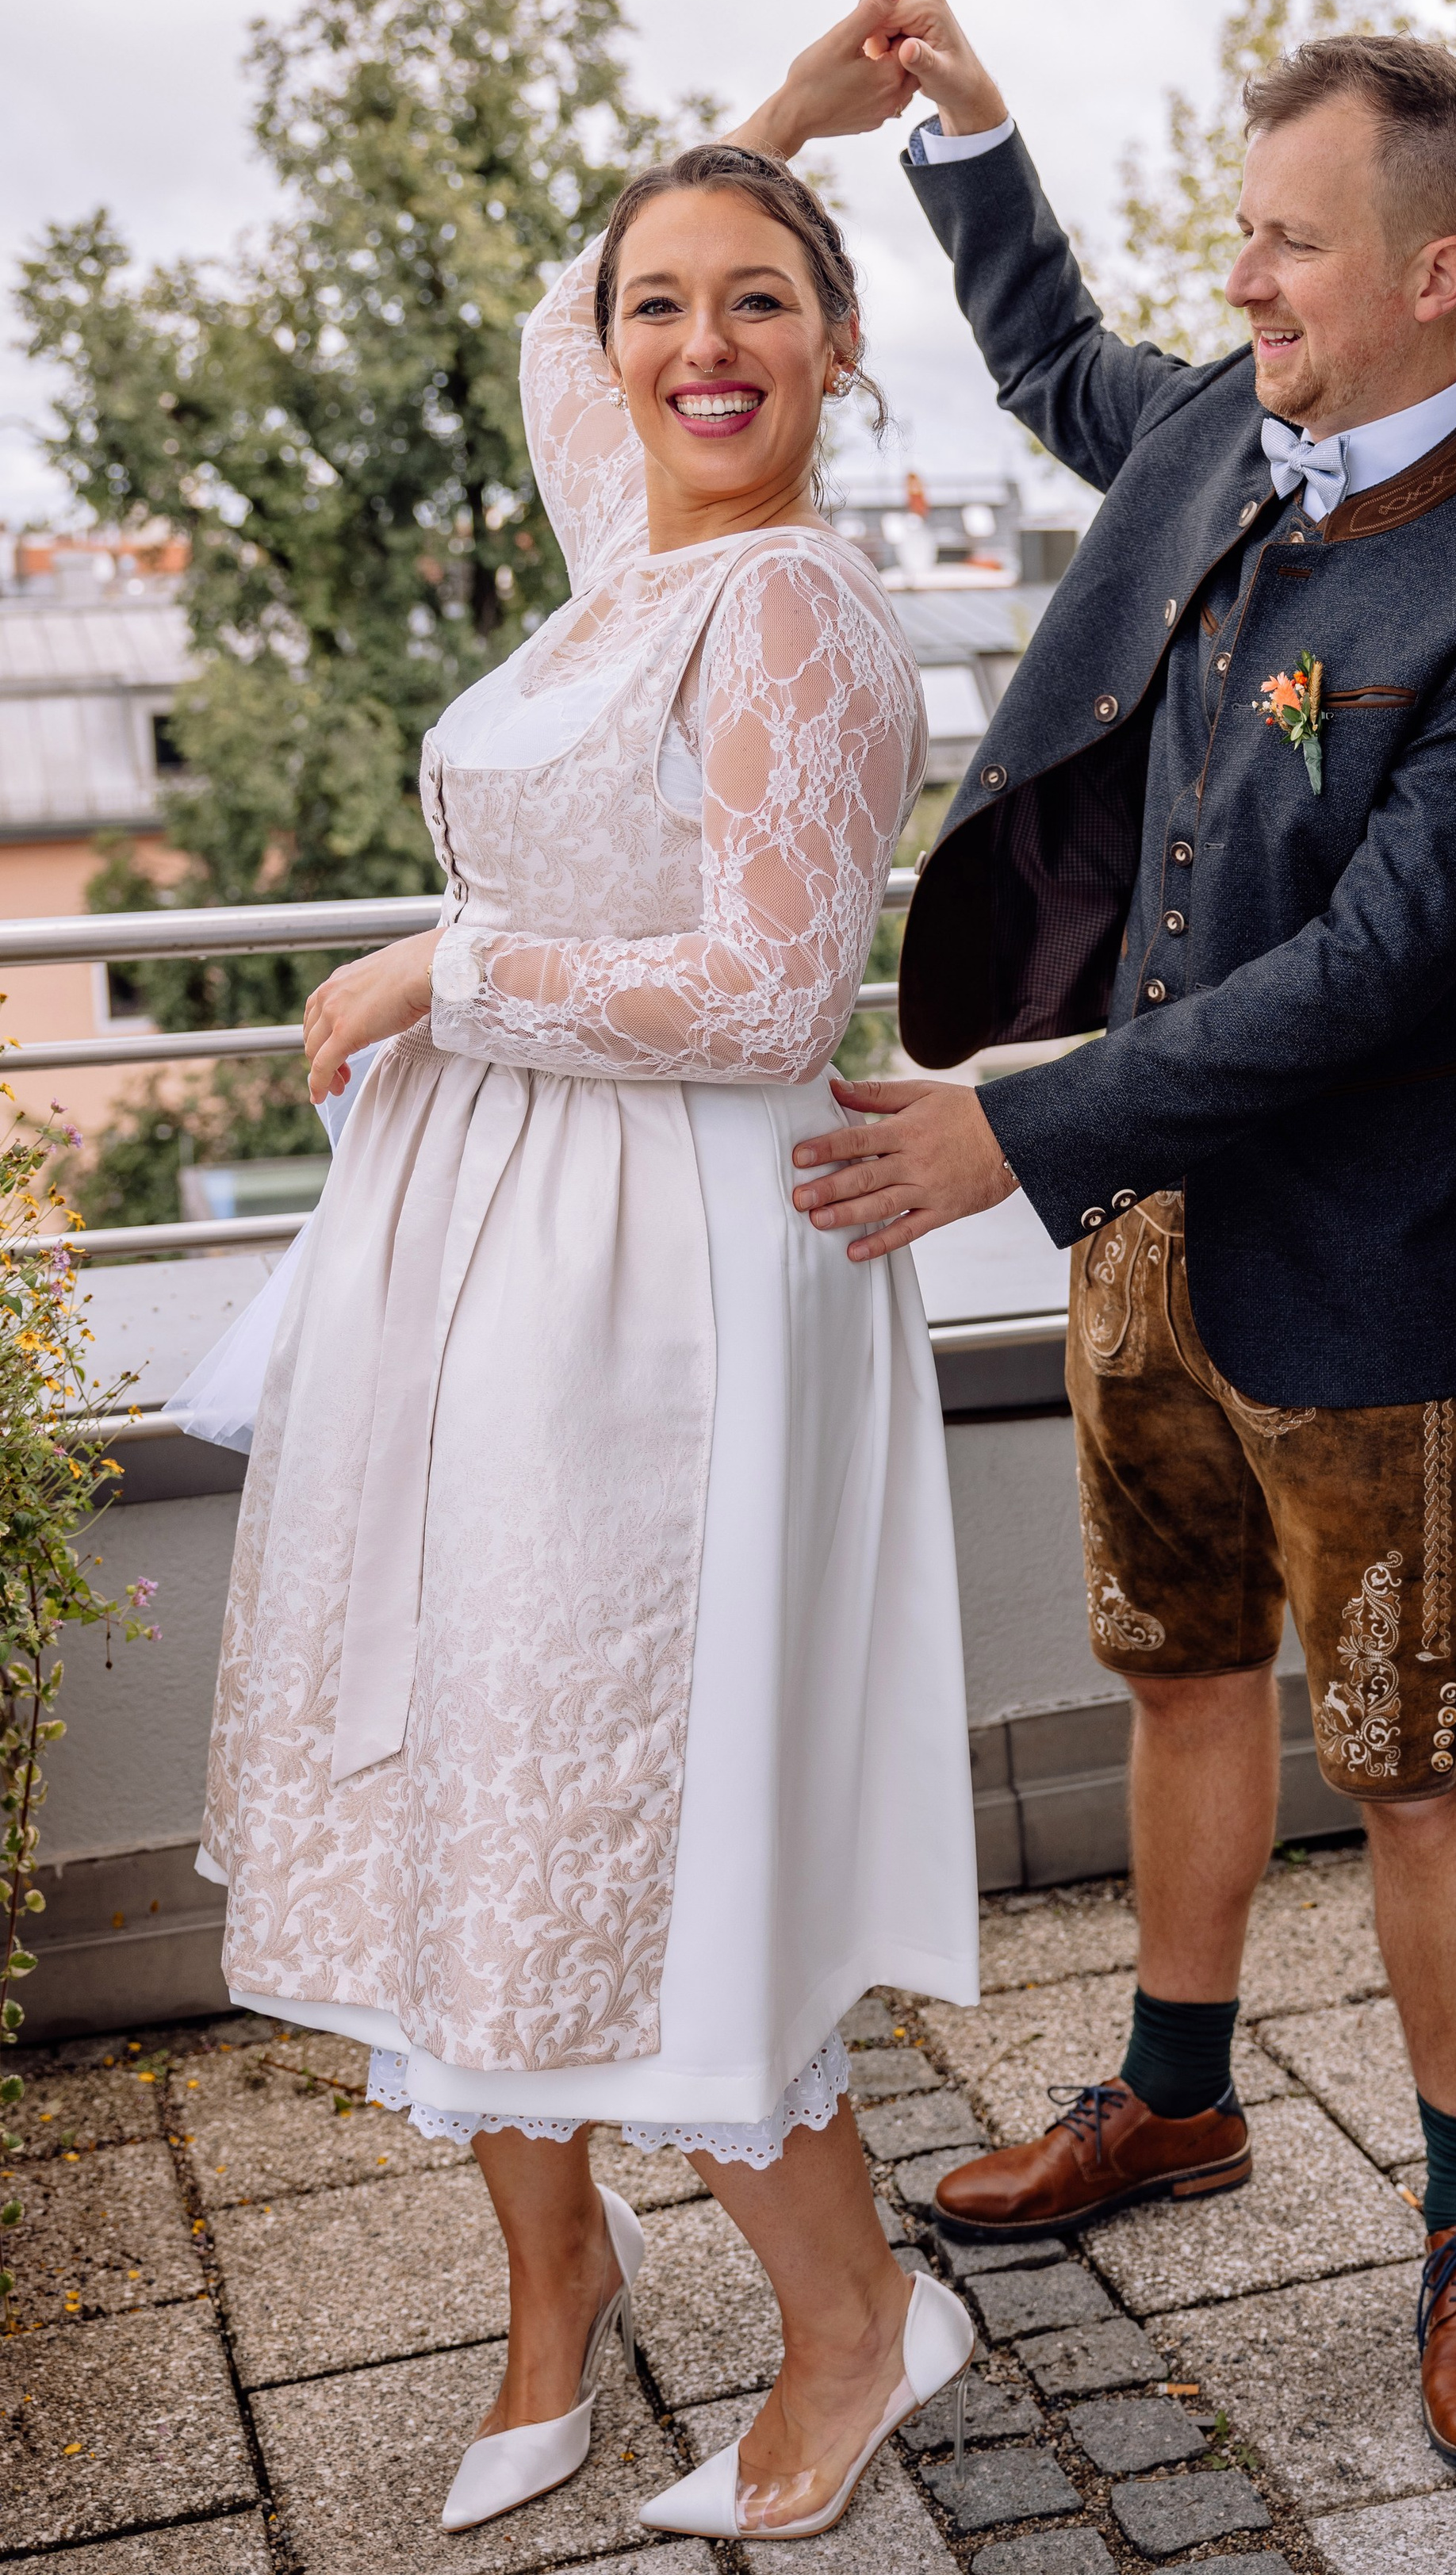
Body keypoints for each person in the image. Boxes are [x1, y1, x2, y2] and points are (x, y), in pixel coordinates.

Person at [736, 0, 1456, 2477]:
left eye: (1290, 246)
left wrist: (1002, 1138)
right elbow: (1041, 345)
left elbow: (1371, 982)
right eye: (1238, 237)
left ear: (1435, 276)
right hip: (1148, 1225)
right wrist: (974, 133)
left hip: (1366, 1271)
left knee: (1425, 1755)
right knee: (1179, 1670)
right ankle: (1176, 2096)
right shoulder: (1213, 434)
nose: (1244, 283)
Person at [197, 138, 979, 2542]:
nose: (699, 348)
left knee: (619, 1820)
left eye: (762, 302)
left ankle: (865, 2323)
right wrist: (780, 124)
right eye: (663, 308)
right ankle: (561, 2288)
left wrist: (452, 966)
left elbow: (767, 989)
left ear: (840, 340)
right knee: (462, 1798)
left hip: (662, 1296)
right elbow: (577, 333)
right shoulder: (628, 561)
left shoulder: (797, 613)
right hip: (481, 1258)